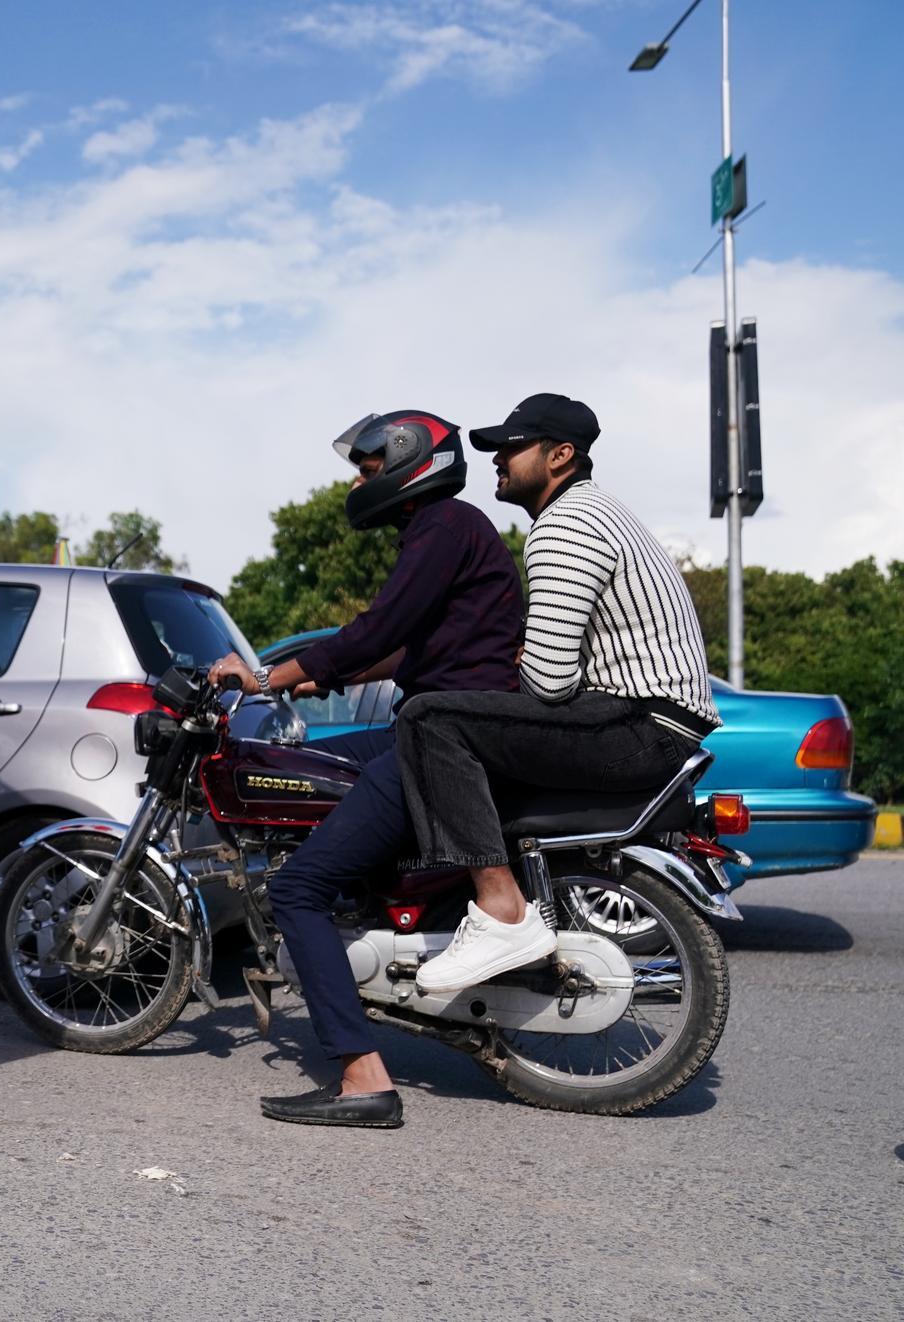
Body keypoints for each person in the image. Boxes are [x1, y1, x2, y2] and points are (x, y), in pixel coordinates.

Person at [206, 410, 524, 1129]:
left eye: (369, 467)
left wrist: (260, 680)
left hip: (442, 736)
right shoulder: (450, 530)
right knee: (312, 763)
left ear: (410, 461)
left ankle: (361, 1077)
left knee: (297, 890)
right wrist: (304, 676)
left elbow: (377, 629)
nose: (358, 480)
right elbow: (409, 646)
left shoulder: (442, 527)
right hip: (440, 722)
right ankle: (370, 921)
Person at [400, 393, 720, 995]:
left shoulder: (565, 525)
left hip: (639, 725)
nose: (498, 458)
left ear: (560, 455)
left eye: (511, 447)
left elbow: (548, 682)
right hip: (655, 722)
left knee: (429, 720)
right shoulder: (599, 513)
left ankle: (500, 911)